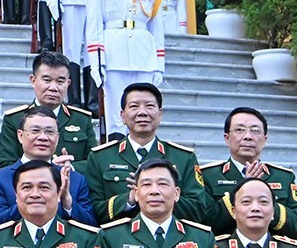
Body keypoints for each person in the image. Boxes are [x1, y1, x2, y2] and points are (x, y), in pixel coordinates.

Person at [79, 83, 210, 226]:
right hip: (119, 238)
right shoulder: (100, 157)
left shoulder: (183, 158)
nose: (142, 112)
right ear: (122, 116)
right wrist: (128, 200)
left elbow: (198, 209)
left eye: (149, 106)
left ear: (159, 114)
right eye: (134, 106)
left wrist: (164, 195)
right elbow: (91, 210)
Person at [83, 0, 165, 136]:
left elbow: (156, 28)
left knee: (144, 112)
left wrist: (159, 63)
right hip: (114, 54)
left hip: (144, 55)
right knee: (116, 116)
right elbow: (94, 25)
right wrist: (96, 62)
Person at [198, 107, 297, 238]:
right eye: (239, 130)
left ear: (265, 139)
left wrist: (266, 202)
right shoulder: (208, 175)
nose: (248, 137)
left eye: (255, 131)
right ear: (227, 138)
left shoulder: (283, 177)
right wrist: (240, 190)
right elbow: (202, 223)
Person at [0, 108, 93, 228]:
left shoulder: (75, 179)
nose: (43, 137)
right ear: (20, 135)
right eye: (35, 131)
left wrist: (67, 201)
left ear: (57, 137)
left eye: (49, 132)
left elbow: (90, 226)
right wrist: (27, 202)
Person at [0, 51, 100, 168]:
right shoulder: (15, 119)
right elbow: (4, 165)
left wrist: (70, 168)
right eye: (47, 80)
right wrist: (46, 168)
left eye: (60, 81)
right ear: (33, 81)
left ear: (68, 83)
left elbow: (95, 164)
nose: (53, 88)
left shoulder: (81, 119)